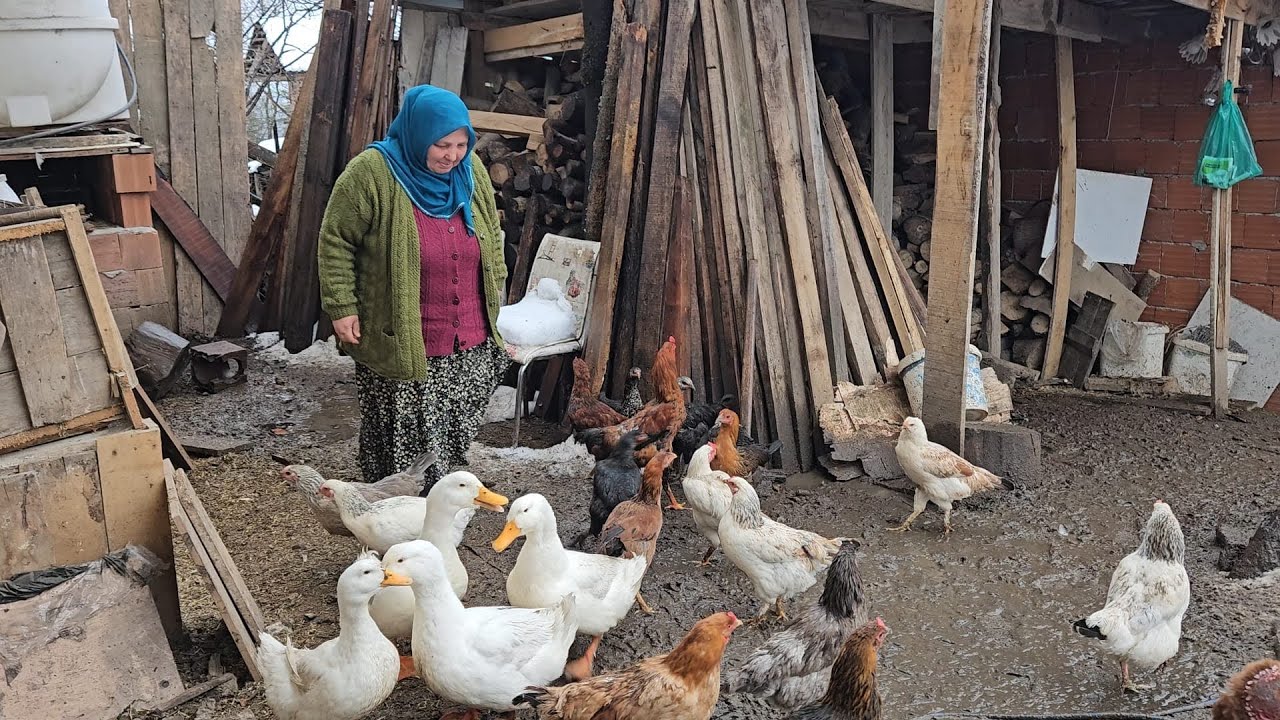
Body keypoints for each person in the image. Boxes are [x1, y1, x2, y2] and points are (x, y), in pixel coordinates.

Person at [318, 85, 510, 494]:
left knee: (454, 416)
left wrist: (496, 279)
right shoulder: (372, 172)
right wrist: (341, 305)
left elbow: (490, 229)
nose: (452, 155)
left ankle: (443, 489)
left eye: (461, 144)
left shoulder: (471, 171)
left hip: (467, 326)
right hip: (405, 330)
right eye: (442, 144)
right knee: (404, 423)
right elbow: (336, 240)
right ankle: (399, 498)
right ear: (418, 134)